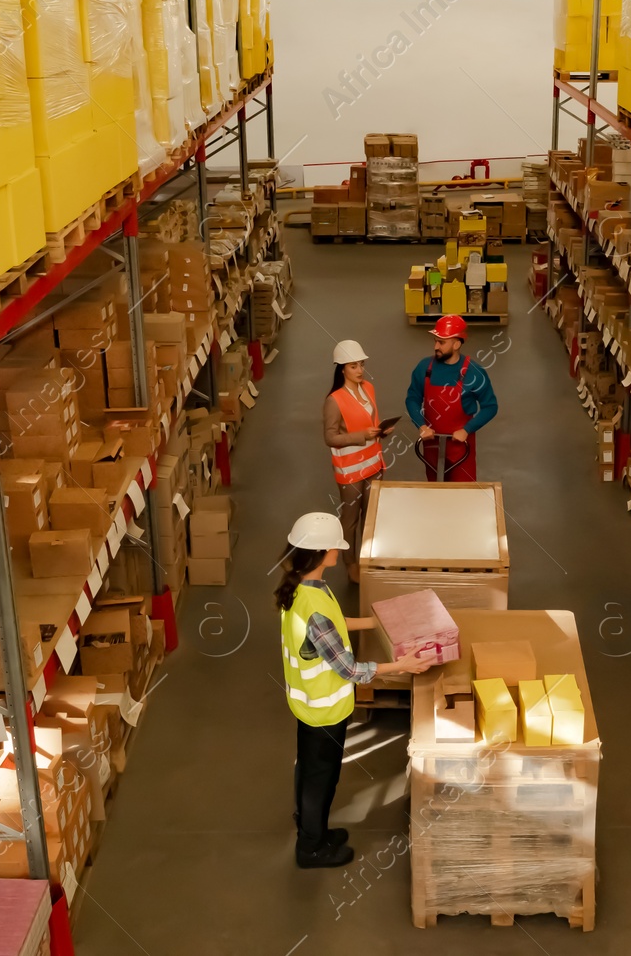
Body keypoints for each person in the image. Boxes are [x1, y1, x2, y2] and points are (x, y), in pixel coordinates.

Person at [276, 512, 435, 868]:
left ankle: (311, 830)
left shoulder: (303, 588)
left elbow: (334, 625)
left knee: (309, 770)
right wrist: (402, 666)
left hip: (307, 706)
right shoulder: (314, 606)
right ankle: (312, 848)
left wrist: (379, 621)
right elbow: (348, 670)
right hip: (324, 711)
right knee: (322, 777)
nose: (339, 550)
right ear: (323, 552)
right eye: (336, 545)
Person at [404, 314, 498, 482]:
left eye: (442, 342)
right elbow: (412, 398)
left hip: (461, 449)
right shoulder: (424, 367)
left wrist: (467, 429)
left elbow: (490, 406)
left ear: (456, 343)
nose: (436, 346)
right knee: (435, 493)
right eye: (435, 341)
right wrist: (421, 425)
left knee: (462, 496)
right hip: (432, 445)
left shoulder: (474, 372)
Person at [323, 340, 386, 583]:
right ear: (341, 369)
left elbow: (370, 420)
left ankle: (368, 559)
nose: (359, 370)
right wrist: (361, 436)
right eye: (353, 366)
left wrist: (380, 431)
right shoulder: (334, 400)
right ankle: (351, 565)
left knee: (371, 515)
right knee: (351, 518)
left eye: (361, 364)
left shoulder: (368, 388)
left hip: (373, 462)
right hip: (350, 468)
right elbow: (330, 437)